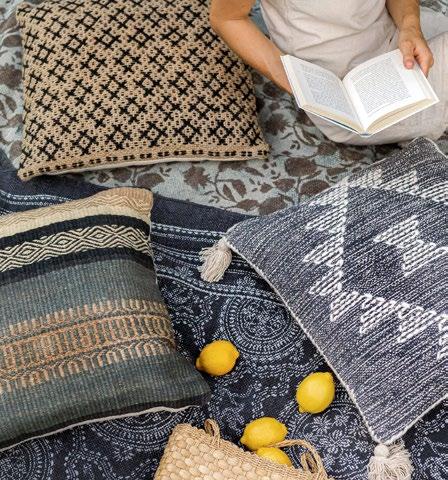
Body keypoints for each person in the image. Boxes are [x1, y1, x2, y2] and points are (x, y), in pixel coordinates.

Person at [210, 0, 448, 145]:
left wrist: (410, 26)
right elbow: (227, 18)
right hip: (342, 98)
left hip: (395, 46)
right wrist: (296, 83)